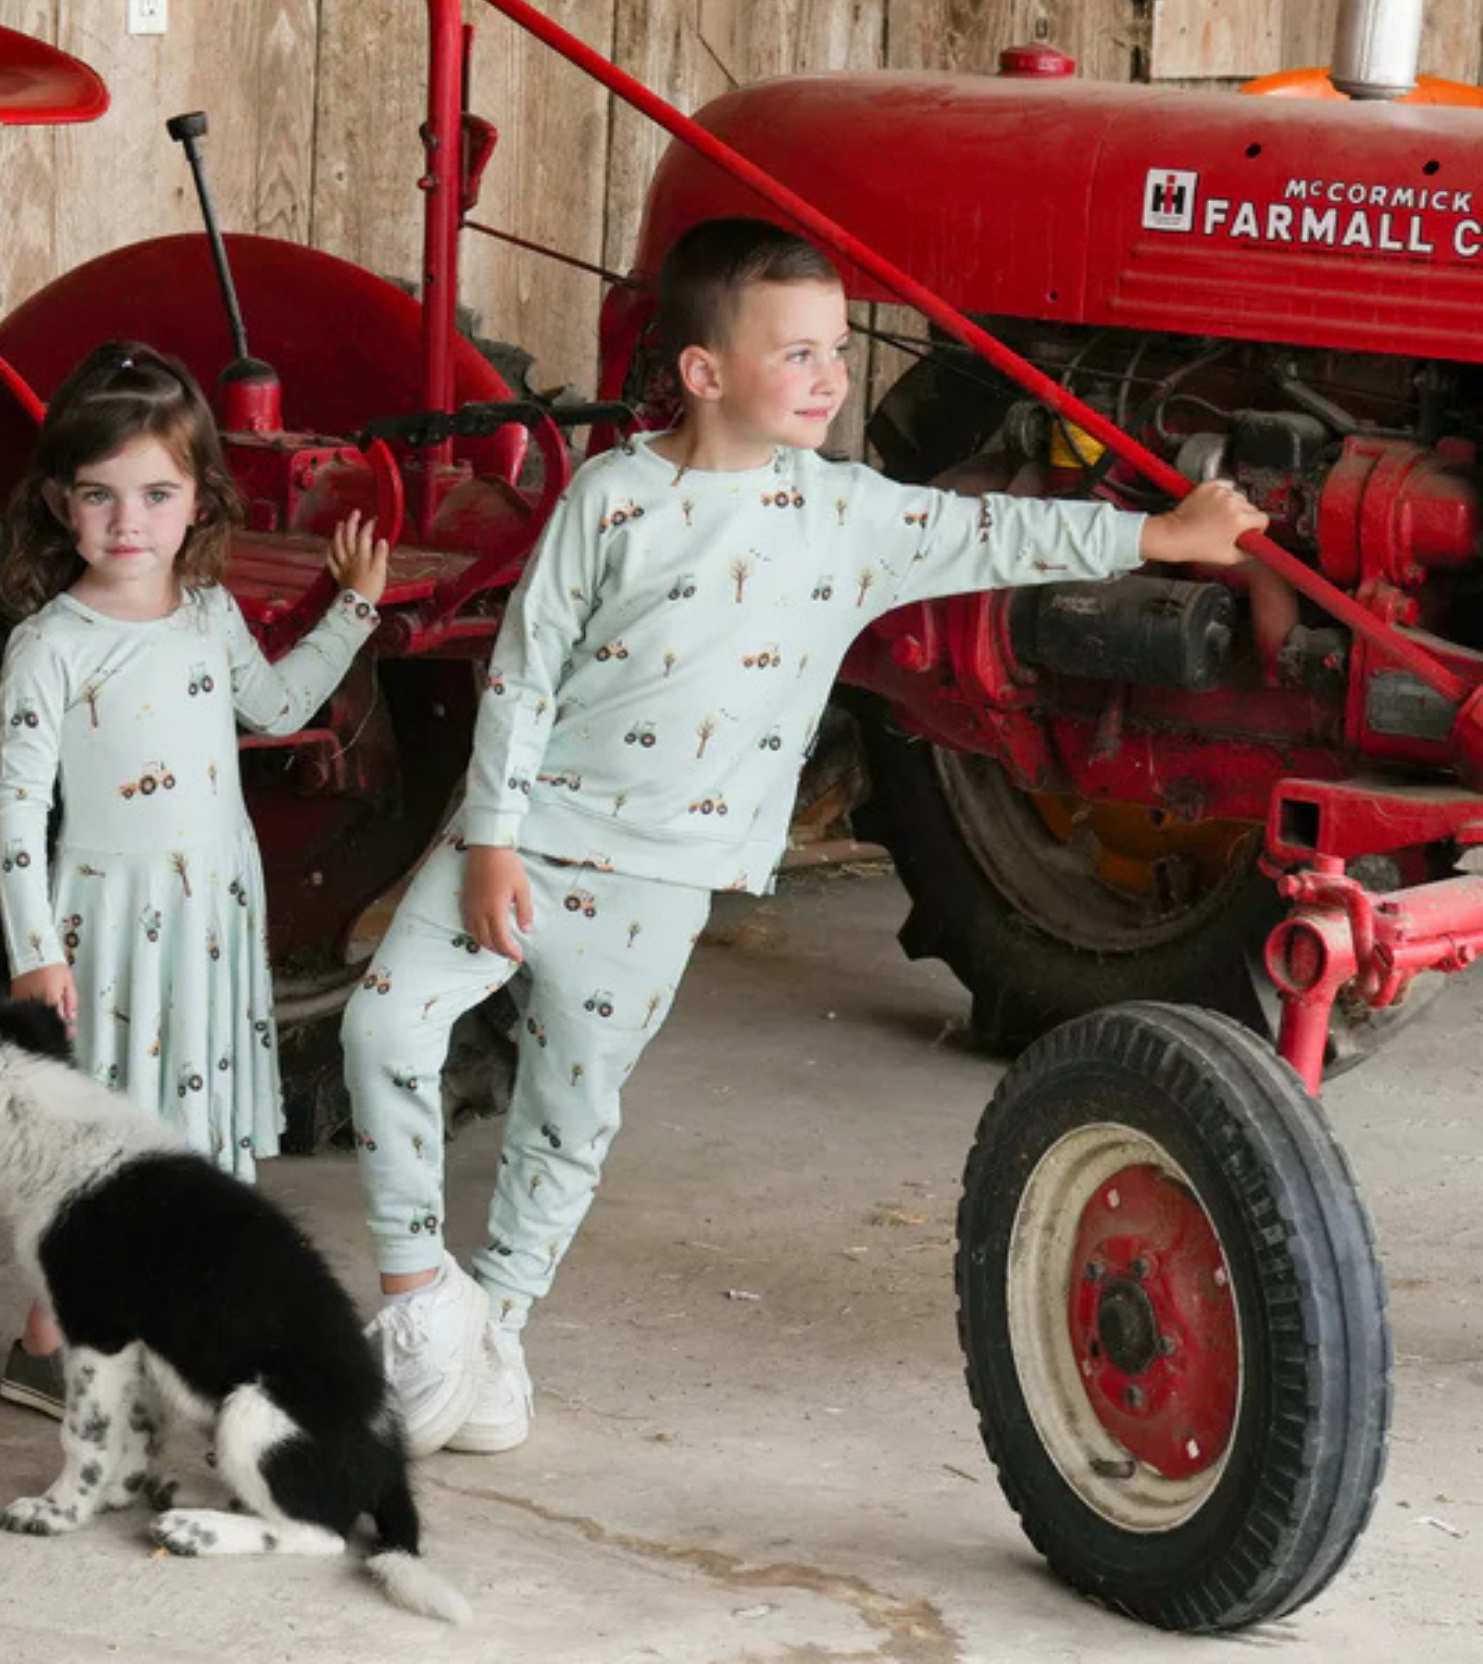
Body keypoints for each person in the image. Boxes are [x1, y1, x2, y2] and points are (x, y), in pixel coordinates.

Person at [341, 216, 1268, 1456]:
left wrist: (1154, 537)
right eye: (799, 353)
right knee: (381, 1024)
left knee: (570, 1109)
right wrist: (494, 837)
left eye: (836, 350)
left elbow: (994, 536)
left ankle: (497, 1324)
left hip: (664, 876)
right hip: (523, 838)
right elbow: (521, 671)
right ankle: (417, 1303)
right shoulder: (612, 496)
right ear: (703, 371)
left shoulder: (846, 514)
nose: (831, 377)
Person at [0, 340, 389, 1413]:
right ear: (59, 504)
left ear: (199, 499)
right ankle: (57, 1338)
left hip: (208, 916)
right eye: (100, 494)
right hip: (108, 926)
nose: (130, 521)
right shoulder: (51, 644)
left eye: (156, 492)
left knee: (194, 1126)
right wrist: (35, 949)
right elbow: (16, 804)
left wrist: (349, 609)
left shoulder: (209, 613)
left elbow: (274, 707)